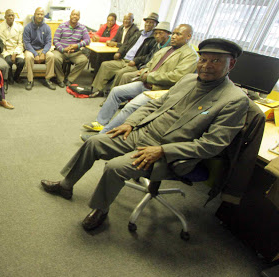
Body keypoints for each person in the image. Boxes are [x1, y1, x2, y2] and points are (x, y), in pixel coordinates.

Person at [41, 38, 247, 231]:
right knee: (94, 142)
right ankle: (66, 185)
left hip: (169, 152)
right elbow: (155, 104)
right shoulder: (189, 80)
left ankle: (101, 210)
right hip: (143, 132)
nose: (205, 65)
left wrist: (162, 150)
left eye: (216, 61)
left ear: (231, 65)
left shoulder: (234, 100)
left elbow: (211, 145)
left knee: (114, 167)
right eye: (203, 59)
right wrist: (130, 123)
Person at [83, 24, 198, 134]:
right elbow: (149, 64)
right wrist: (144, 72)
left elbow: (177, 76)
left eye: (178, 34)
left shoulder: (190, 55)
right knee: (116, 92)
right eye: (173, 33)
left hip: (159, 91)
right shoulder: (165, 50)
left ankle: (104, 134)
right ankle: (101, 123)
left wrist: (149, 76)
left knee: (130, 106)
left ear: (188, 36)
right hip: (146, 83)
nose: (173, 36)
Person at [88, 13, 160, 96]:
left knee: (121, 73)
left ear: (156, 25)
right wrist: (119, 52)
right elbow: (126, 44)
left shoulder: (154, 39)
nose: (148, 24)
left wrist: (136, 60)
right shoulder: (139, 33)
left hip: (134, 64)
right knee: (105, 65)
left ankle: (112, 96)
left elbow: (149, 56)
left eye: (151, 22)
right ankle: (99, 91)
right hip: (124, 59)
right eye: (147, 22)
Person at [53, 10, 91, 87]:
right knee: (54, 57)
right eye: (73, 14)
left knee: (84, 60)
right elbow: (55, 40)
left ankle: (69, 79)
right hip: (61, 51)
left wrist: (77, 45)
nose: (75, 16)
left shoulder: (82, 28)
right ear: (70, 16)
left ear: (79, 17)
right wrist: (63, 49)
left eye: (77, 15)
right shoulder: (62, 26)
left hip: (75, 53)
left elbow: (87, 40)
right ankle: (60, 79)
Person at [22, 7, 56, 91]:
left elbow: (48, 42)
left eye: (41, 14)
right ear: (34, 14)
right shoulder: (28, 27)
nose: (40, 16)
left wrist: (44, 53)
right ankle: (30, 80)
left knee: (51, 56)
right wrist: (35, 54)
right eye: (38, 14)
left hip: (42, 49)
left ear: (44, 16)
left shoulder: (47, 27)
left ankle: (48, 79)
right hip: (31, 49)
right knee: (29, 57)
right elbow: (26, 43)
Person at [0, 9, 25, 84]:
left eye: (12, 15)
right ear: (5, 17)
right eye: (9, 15)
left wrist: (15, 53)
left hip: (16, 49)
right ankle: (10, 76)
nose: (11, 17)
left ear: (14, 17)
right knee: (8, 61)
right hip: (6, 50)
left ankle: (16, 76)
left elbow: (20, 43)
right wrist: (8, 53)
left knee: (21, 62)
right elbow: (1, 43)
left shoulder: (19, 27)